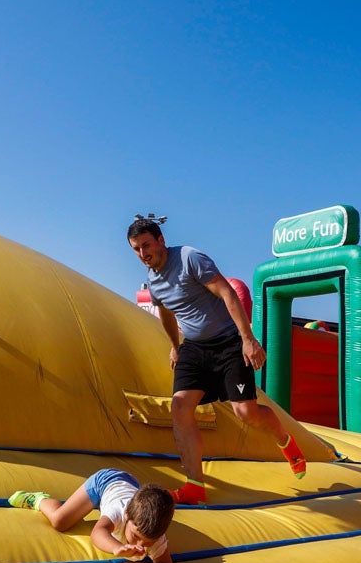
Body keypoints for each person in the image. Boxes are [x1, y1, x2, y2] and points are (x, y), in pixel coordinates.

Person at [127, 215, 306, 505]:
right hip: (195, 348)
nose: (142, 254)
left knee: (245, 413)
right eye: (136, 249)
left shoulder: (189, 258)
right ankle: (195, 486)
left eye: (146, 245)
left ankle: (286, 442)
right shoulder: (153, 280)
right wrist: (175, 347)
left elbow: (227, 292)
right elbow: (166, 314)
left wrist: (247, 339)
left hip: (227, 343)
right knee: (180, 406)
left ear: (161, 240)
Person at [9, 470, 175, 563]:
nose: (141, 546)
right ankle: (39, 499)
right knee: (60, 521)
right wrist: (116, 548)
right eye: (136, 537)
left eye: (148, 543)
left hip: (132, 485)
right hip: (104, 482)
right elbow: (98, 532)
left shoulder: (155, 534)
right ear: (126, 516)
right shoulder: (119, 511)